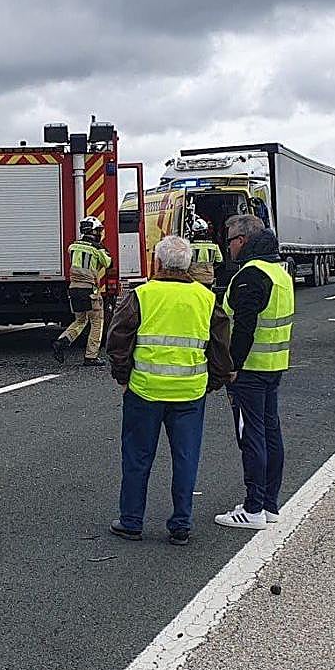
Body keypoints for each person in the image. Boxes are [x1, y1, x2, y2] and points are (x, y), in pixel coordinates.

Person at [106, 235, 233, 545]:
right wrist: (212, 382)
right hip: (190, 393)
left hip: (145, 391)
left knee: (137, 458)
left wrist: (123, 378)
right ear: (187, 264)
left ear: (158, 262)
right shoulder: (206, 298)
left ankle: (132, 522)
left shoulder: (142, 295)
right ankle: (180, 525)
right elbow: (220, 348)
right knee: (186, 458)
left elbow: (118, 339)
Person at [215, 214, 294, 531]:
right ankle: (269, 504)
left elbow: (244, 327)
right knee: (271, 434)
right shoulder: (278, 272)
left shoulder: (249, 275)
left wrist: (232, 365)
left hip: (248, 371)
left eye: (231, 240)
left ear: (243, 241)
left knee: (251, 436)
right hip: (273, 366)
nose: (228, 246)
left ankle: (252, 509)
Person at [51, 216, 111, 366]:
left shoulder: (73, 246)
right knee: (97, 323)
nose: (99, 233)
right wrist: (102, 247)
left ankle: (62, 341)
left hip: (74, 289)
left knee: (80, 320)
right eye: (98, 230)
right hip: (90, 291)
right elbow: (109, 263)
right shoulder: (97, 249)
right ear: (92, 231)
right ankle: (91, 357)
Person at [187, 217, 223, 288]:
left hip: (193, 279)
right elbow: (219, 261)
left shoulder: (189, 246)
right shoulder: (213, 246)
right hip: (208, 279)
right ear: (206, 231)